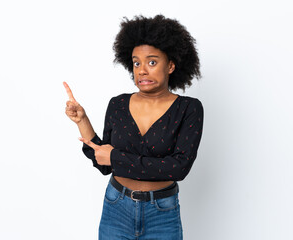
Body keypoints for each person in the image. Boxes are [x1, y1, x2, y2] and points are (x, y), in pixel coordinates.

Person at [64, 14, 204, 240]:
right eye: (136, 62)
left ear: (170, 65)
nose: (141, 70)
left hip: (162, 212)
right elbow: (104, 163)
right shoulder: (118, 104)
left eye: (151, 62)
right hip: (116, 206)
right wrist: (82, 121)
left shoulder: (189, 109)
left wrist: (116, 158)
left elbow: (178, 167)